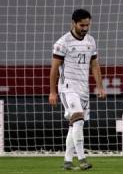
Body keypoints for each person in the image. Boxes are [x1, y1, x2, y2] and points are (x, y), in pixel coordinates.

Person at [49, 9, 106, 170]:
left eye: (88, 25)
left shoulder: (91, 41)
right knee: (79, 120)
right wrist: (53, 92)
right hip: (68, 87)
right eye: (82, 25)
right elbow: (54, 69)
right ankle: (82, 159)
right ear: (73, 23)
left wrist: (100, 86)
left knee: (74, 125)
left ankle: (67, 160)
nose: (85, 28)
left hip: (83, 89)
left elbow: (94, 65)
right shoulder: (63, 43)